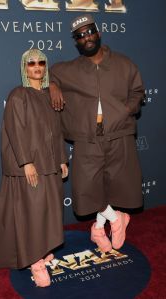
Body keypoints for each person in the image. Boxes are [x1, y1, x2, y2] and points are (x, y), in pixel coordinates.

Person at [49, 14, 144, 253]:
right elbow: (47, 75)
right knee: (86, 189)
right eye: (80, 36)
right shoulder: (68, 69)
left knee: (118, 187)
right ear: (76, 42)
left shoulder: (124, 64)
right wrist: (51, 85)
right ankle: (115, 219)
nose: (86, 37)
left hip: (119, 134)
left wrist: (125, 111)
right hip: (87, 139)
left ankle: (98, 229)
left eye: (90, 32)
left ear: (98, 33)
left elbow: (137, 91)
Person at [0, 49, 68, 288]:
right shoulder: (18, 95)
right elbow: (15, 130)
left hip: (50, 164)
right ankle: (35, 261)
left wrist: (63, 159)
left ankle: (43, 251)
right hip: (31, 165)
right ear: (24, 67)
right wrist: (26, 162)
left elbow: (56, 131)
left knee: (48, 211)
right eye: (31, 63)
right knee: (33, 214)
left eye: (41, 62)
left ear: (45, 67)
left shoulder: (48, 95)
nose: (36, 66)